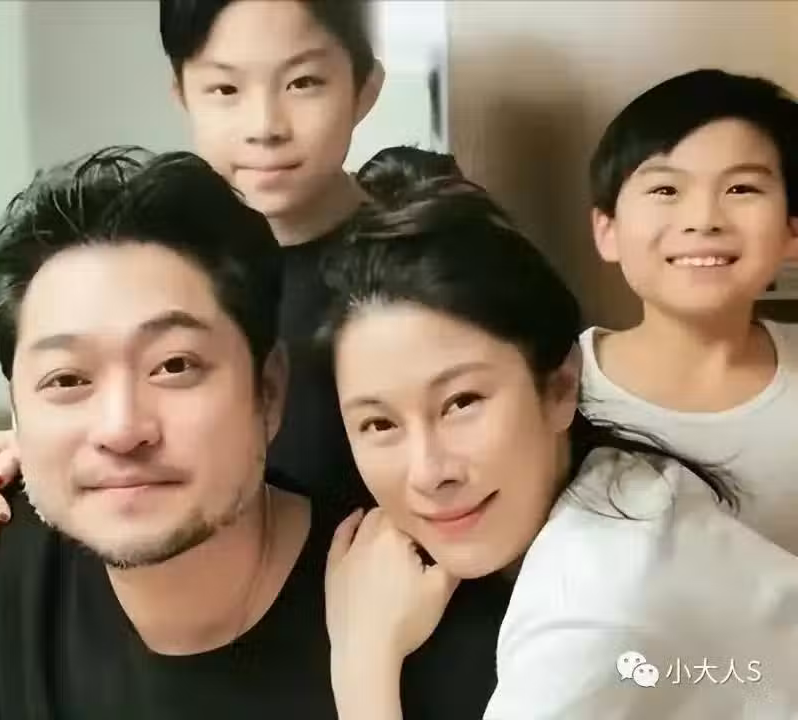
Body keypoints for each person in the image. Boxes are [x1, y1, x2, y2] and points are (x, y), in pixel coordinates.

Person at [0, 147, 509, 719]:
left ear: (268, 391)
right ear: (16, 413)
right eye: (67, 379)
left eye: (174, 366)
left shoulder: (413, 614)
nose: (122, 429)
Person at [320, 149, 798, 719]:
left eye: (462, 403)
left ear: (561, 386)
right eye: (379, 423)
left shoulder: (594, 608)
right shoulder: (615, 484)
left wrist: (361, 658)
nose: (429, 472)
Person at [0, 0, 417, 546]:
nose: (264, 127)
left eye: (302, 82)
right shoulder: (162, 268)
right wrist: (32, 449)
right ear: (182, 93)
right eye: (225, 89)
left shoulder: (424, 274)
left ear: (366, 87)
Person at [582, 69, 798, 553]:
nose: (703, 220)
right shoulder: (555, 392)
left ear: (792, 230)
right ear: (607, 230)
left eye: (741, 189)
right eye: (666, 190)